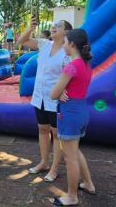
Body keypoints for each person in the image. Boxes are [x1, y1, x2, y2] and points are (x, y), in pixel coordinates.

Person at [18, 18, 73, 183]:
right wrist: (31, 27)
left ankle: (54, 169)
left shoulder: (68, 51)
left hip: (55, 98)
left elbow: (70, 75)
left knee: (56, 134)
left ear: (67, 32)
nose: (54, 27)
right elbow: (22, 41)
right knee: (42, 129)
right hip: (39, 96)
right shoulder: (44, 44)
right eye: (54, 25)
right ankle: (43, 162)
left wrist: (65, 90)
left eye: (59, 26)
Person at [50, 29, 95, 206]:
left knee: (70, 158)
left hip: (69, 114)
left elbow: (53, 94)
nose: (63, 44)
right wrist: (62, 92)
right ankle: (89, 184)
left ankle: (71, 196)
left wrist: (60, 92)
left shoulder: (71, 66)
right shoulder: (85, 64)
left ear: (72, 45)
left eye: (65, 41)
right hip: (81, 111)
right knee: (75, 151)